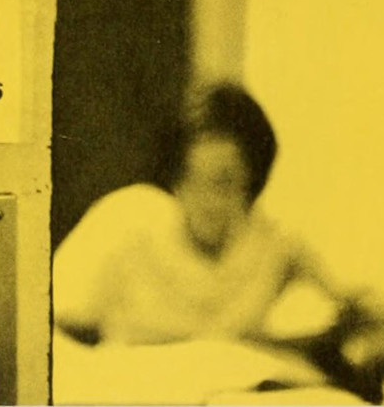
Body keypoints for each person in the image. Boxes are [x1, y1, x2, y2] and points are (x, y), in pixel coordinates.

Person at [54, 82, 345, 347]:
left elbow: (349, 303)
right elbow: (50, 317)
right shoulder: (126, 220)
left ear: (251, 181)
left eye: (223, 182)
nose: (207, 200)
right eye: (190, 178)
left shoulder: (274, 242)